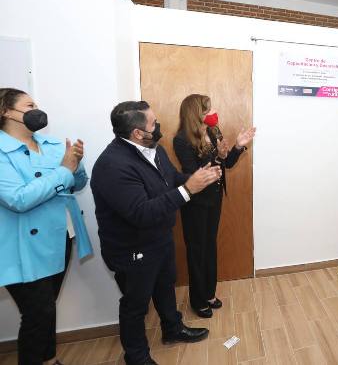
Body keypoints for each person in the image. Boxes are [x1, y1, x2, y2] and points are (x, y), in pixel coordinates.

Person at [91, 101, 222, 365]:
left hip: (160, 237)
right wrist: (189, 190)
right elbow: (141, 212)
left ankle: (172, 328)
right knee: (136, 304)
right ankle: (137, 356)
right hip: (132, 248)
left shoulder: (155, 150)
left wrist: (196, 178)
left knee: (165, 285)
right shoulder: (112, 165)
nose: (158, 125)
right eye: (153, 123)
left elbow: (172, 179)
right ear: (137, 132)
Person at [0, 88, 92, 365]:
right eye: (29, 105)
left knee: (46, 309)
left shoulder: (52, 144)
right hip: (23, 246)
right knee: (37, 314)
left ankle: (50, 360)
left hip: (60, 235)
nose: (37, 110)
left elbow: (77, 184)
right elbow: (19, 199)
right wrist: (64, 170)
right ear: (6, 112)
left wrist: (76, 165)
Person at [173, 94, 255, 318]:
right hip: (196, 202)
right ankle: (197, 300)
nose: (213, 112)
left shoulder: (213, 131)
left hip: (214, 198)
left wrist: (238, 146)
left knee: (209, 246)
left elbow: (227, 163)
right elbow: (195, 173)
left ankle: (209, 293)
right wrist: (217, 157)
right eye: (208, 109)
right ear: (196, 113)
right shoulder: (181, 139)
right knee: (197, 250)